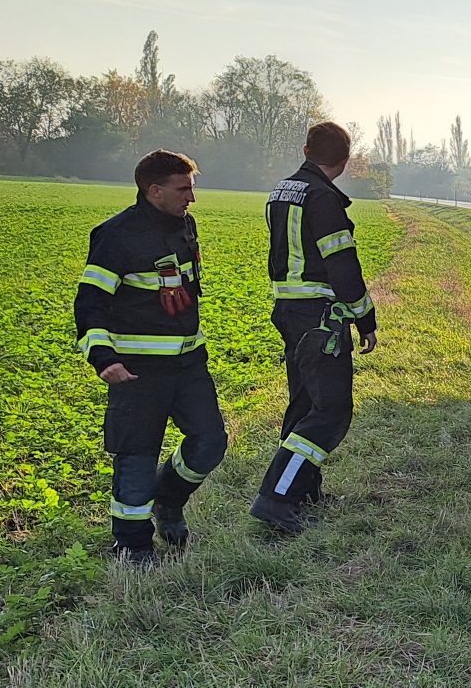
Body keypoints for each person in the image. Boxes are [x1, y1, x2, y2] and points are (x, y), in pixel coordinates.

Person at [73, 150, 228, 563]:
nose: (192, 198)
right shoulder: (115, 236)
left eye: (191, 188)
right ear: (154, 191)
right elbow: (89, 302)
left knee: (210, 442)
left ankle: (169, 500)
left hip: (190, 364)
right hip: (138, 371)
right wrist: (103, 358)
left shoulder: (184, 225)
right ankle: (133, 546)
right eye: (183, 189)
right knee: (137, 459)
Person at [250, 120, 377, 534]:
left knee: (304, 404)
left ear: (306, 151)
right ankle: (277, 498)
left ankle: (305, 492)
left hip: (289, 310)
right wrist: (365, 318)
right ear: (345, 160)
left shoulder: (283, 191)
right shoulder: (323, 198)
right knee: (331, 411)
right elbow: (342, 265)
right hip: (321, 316)